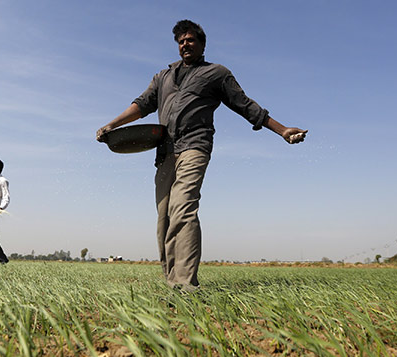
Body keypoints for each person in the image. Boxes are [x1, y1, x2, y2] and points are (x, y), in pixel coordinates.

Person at [96, 20, 307, 290]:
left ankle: (185, 285)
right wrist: (112, 125)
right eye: (181, 41)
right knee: (164, 219)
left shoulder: (216, 74)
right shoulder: (163, 77)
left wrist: (282, 130)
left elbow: (246, 106)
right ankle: (172, 281)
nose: (185, 44)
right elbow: (141, 105)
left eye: (190, 40)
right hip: (165, 151)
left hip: (195, 146)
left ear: (202, 44)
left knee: (183, 207)